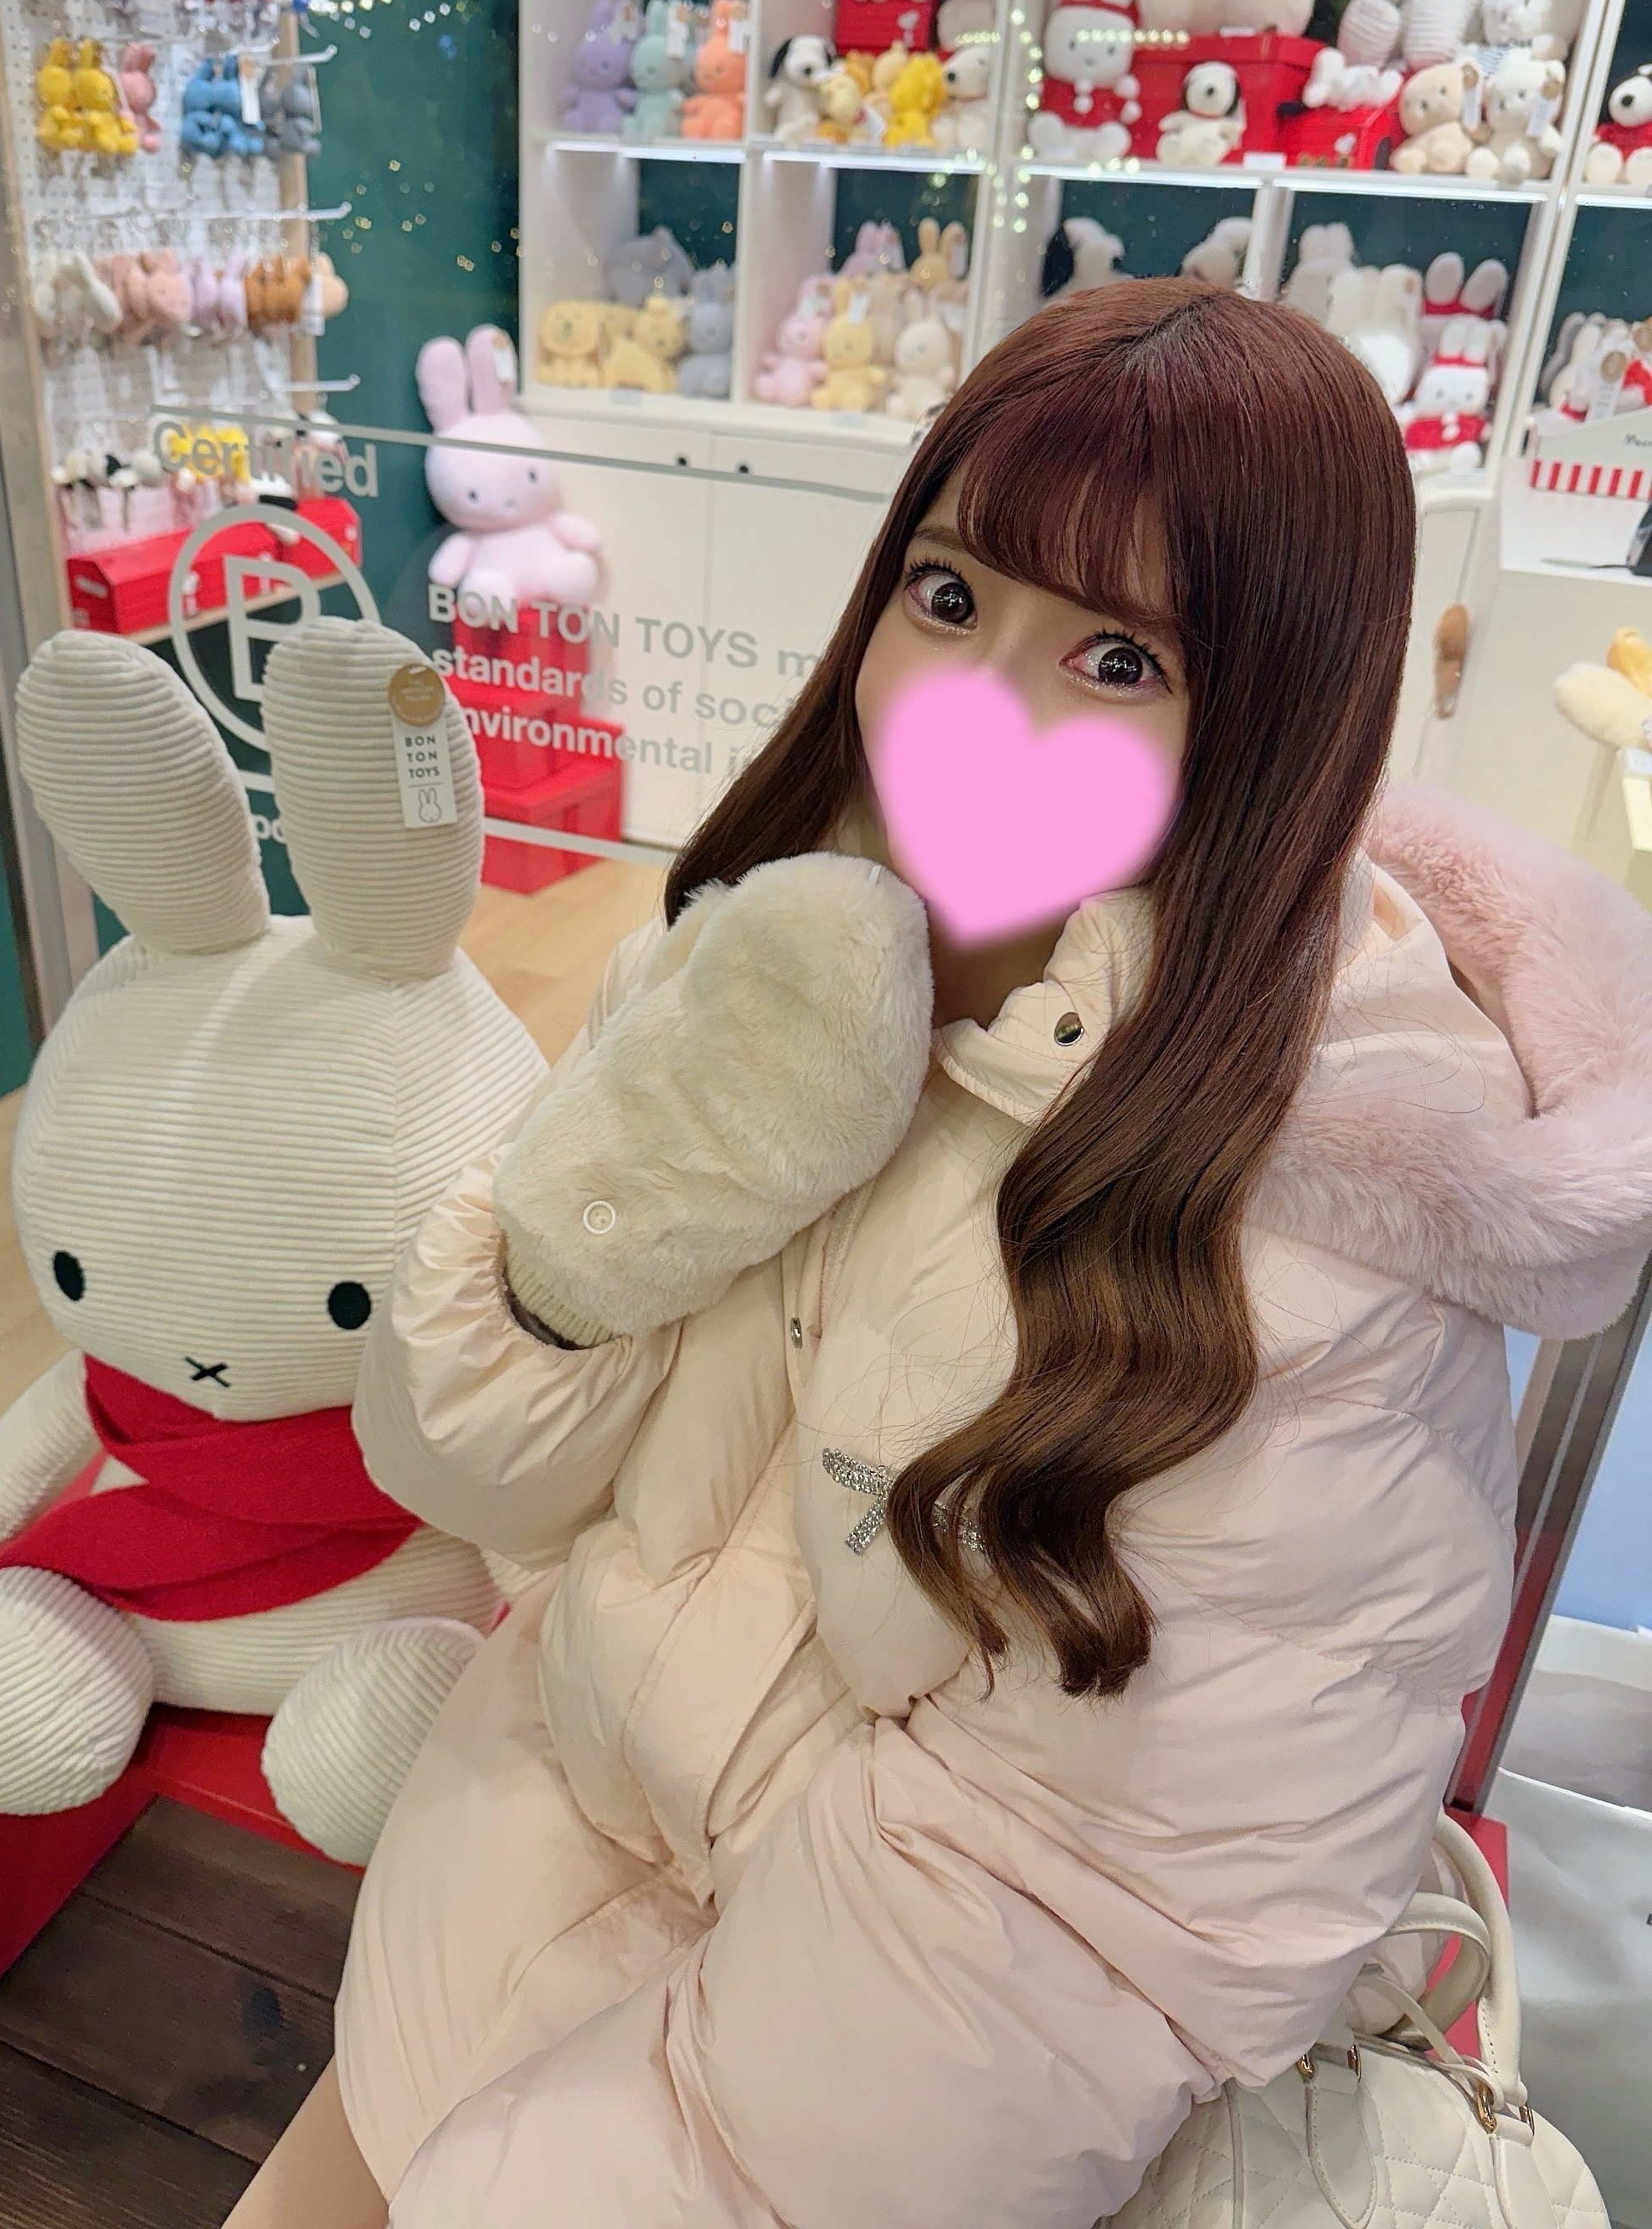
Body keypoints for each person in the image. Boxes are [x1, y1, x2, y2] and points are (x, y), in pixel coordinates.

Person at [226, 279, 1652, 2228]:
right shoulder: (780, 935)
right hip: (515, 1895)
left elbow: (1072, 1935)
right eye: (953, 593)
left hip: (824, 2120)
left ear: (1277, 709)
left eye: (1121, 656)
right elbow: (480, 1483)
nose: (982, 701)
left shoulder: (1319, 1230)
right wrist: (594, 1224)